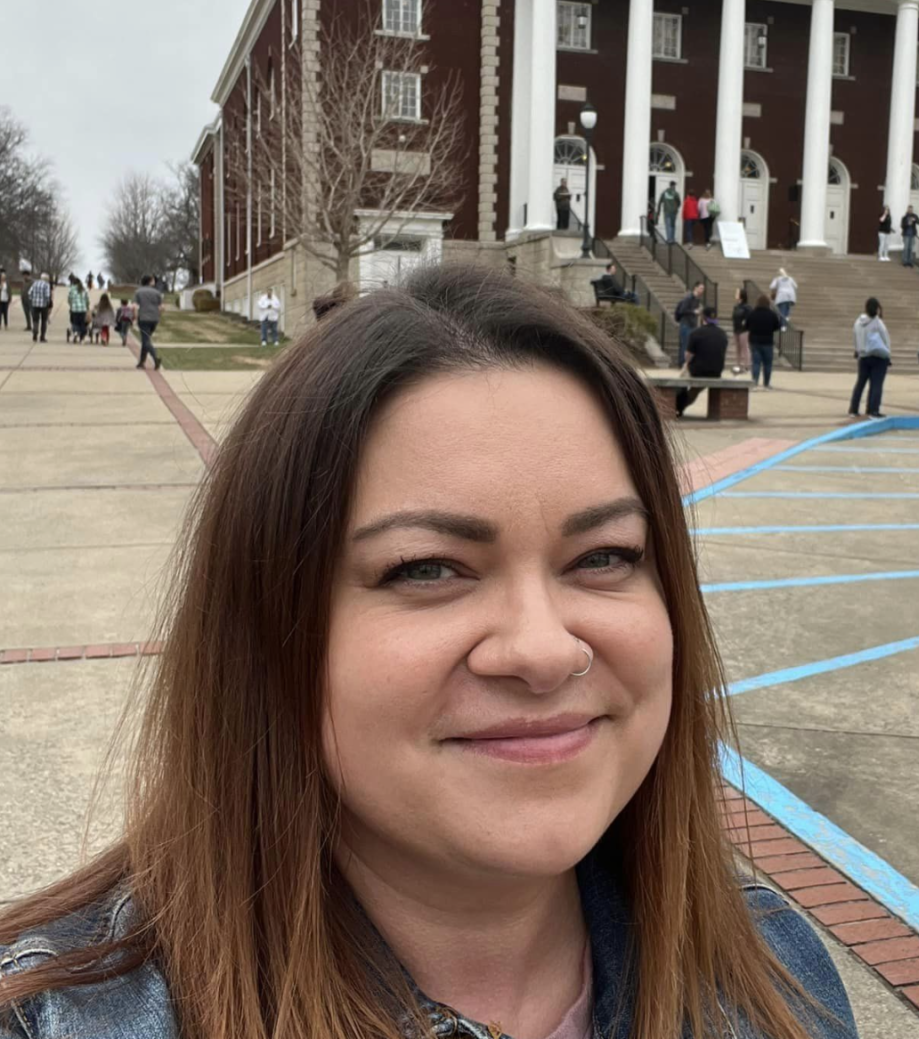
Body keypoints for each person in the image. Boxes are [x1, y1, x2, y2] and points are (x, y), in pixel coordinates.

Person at [0, 264, 857, 1039]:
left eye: (604, 557)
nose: (544, 650)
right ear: (266, 627)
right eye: (427, 567)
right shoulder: (65, 1019)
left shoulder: (776, 981)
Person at [677, 303, 729, 416]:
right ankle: (680, 405)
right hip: (716, 371)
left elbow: (688, 356)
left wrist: (686, 364)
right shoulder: (723, 334)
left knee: (683, 376)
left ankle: (678, 405)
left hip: (698, 371)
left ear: (702, 318)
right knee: (695, 389)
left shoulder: (696, 333)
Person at [849, 297, 890, 419]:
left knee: (860, 383)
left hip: (863, 355)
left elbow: (855, 336)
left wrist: (857, 349)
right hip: (878, 356)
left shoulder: (858, 322)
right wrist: (888, 354)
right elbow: (885, 338)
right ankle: (873, 409)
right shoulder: (877, 322)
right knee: (876, 384)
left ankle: (853, 409)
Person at [745, 293, 781, 391]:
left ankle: (754, 383)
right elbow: (777, 326)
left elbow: (747, 326)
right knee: (767, 364)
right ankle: (766, 384)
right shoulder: (772, 314)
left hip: (755, 341)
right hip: (768, 341)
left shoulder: (752, 313)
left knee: (756, 363)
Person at [134, 273, 164, 370]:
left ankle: (155, 358)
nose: (154, 281)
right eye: (153, 280)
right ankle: (141, 362)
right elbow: (161, 308)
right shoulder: (157, 293)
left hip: (143, 318)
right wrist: (158, 316)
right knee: (145, 340)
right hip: (154, 319)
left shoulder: (138, 292)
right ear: (150, 281)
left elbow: (134, 306)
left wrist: (134, 317)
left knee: (145, 340)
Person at [674, 282, 703, 369]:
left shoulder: (697, 300)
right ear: (696, 288)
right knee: (685, 344)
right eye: (701, 288)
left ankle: (686, 363)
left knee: (689, 345)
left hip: (692, 324)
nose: (702, 290)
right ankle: (682, 363)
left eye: (703, 288)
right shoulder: (688, 298)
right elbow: (682, 310)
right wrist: (694, 312)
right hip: (686, 324)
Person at [730, 287, 751, 375]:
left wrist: (745, 321)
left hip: (744, 330)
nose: (736, 294)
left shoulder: (747, 307)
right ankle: (737, 365)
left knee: (744, 347)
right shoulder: (736, 306)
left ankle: (747, 365)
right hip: (736, 328)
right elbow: (733, 316)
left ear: (741, 295)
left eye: (737, 292)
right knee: (737, 348)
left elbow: (749, 317)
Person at [27, 272, 52, 342]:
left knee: (35, 320)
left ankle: (35, 331)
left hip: (35, 304)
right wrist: (48, 304)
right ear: (46, 279)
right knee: (44, 321)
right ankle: (42, 337)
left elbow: (29, 293)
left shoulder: (35, 283)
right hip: (44, 305)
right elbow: (47, 296)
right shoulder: (47, 285)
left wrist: (32, 299)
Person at [657, 180, 681, 245]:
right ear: (673, 185)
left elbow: (660, 202)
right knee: (672, 225)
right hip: (674, 211)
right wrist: (676, 207)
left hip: (667, 211)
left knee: (668, 225)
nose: (675, 186)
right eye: (674, 185)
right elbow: (679, 202)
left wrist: (658, 211)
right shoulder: (676, 193)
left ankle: (669, 239)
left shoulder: (664, 193)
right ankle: (672, 239)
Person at [67, 275, 89, 343]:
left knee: (75, 322)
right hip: (83, 309)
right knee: (82, 323)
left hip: (74, 309)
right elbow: (87, 300)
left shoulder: (71, 289)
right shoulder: (84, 289)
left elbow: (69, 299)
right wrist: (87, 307)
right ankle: (82, 338)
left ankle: (76, 333)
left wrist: (71, 305)